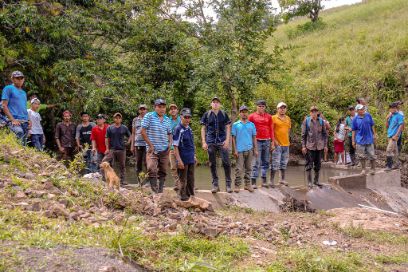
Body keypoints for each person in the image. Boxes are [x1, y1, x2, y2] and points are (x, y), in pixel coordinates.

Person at [200, 97, 232, 193]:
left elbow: (228, 127)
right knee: (212, 163)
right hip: (211, 141)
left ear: (220, 104)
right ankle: (215, 184)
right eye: (213, 102)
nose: (215, 104)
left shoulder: (223, 114)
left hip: (222, 141)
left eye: (217, 102)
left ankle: (228, 184)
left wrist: (227, 140)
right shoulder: (207, 114)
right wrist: (203, 142)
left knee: (226, 162)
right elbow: (203, 128)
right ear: (211, 104)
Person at [142, 99, 172, 193]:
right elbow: (142, 131)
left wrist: (170, 144)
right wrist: (150, 145)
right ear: (155, 107)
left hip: (164, 149)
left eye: (163, 107)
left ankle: (161, 191)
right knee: (151, 169)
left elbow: (170, 133)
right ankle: (154, 191)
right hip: (152, 149)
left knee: (163, 171)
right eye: (159, 107)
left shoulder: (167, 119)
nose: (162, 109)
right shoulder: (149, 116)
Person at [249, 99, 275, 189]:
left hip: (267, 140)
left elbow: (271, 129)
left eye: (263, 106)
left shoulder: (269, 117)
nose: (261, 108)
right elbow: (248, 129)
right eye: (259, 106)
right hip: (257, 141)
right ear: (256, 106)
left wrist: (272, 142)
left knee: (266, 161)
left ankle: (264, 181)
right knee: (256, 161)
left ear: (265, 107)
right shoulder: (252, 116)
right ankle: (253, 181)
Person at [232, 105, 257, 193]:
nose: (244, 114)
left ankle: (247, 184)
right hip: (239, 150)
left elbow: (254, 137)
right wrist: (235, 150)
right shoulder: (235, 125)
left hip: (249, 149)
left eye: (245, 112)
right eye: (242, 112)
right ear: (240, 113)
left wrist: (255, 149)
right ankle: (237, 185)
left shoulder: (252, 124)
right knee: (239, 169)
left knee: (249, 168)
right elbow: (233, 138)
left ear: (248, 113)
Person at [301, 106, 328, 188]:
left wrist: (325, 145)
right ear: (310, 113)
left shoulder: (321, 121)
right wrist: (303, 146)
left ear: (317, 112)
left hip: (319, 147)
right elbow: (303, 135)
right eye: (312, 112)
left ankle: (316, 181)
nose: (314, 113)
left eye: (315, 111)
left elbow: (324, 134)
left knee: (318, 165)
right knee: (309, 164)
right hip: (309, 146)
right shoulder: (307, 121)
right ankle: (309, 182)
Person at [173, 108, 196, 201]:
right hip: (183, 159)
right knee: (183, 179)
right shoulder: (178, 129)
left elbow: (191, 143)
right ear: (181, 117)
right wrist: (179, 160)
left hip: (190, 158)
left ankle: (191, 195)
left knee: (191, 178)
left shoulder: (189, 129)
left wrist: (194, 156)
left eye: (189, 117)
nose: (187, 119)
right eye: (185, 117)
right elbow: (175, 146)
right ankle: (182, 197)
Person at [1, 71, 29, 144]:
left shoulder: (23, 92)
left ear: (23, 79)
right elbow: (4, 105)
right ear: (12, 79)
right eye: (17, 78)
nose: (20, 80)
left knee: (24, 142)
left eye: (21, 78)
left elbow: (24, 107)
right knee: (19, 134)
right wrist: (12, 119)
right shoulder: (8, 88)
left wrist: (29, 120)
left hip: (24, 121)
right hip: (14, 120)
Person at [103, 112, 131, 185]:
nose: (117, 119)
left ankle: (123, 180)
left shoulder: (124, 127)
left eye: (119, 118)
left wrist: (128, 142)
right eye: (116, 118)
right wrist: (107, 148)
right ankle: (106, 178)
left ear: (121, 119)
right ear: (114, 119)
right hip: (112, 149)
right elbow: (106, 138)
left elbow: (130, 136)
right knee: (105, 161)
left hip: (122, 149)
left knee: (122, 165)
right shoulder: (110, 127)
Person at [352, 104, 377, 175]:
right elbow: (353, 130)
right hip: (360, 139)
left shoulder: (368, 115)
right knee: (361, 156)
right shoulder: (355, 119)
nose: (363, 110)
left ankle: (373, 169)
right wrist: (353, 141)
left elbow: (372, 125)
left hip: (369, 138)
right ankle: (363, 169)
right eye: (361, 109)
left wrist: (374, 134)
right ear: (357, 110)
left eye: (363, 108)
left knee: (372, 155)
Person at [271, 102, 291, 187]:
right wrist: (274, 141)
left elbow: (288, 130)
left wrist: (287, 140)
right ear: (277, 109)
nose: (282, 109)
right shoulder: (273, 118)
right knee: (275, 162)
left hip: (286, 144)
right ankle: (271, 181)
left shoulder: (288, 118)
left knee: (284, 162)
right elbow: (271, 131)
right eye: (281, 108)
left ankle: (282, 180)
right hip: (277, 144)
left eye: (284, 108)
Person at [131, 104, 148, 183]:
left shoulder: (149, 119)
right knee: (138, 163)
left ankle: (149, 181)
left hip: (147, 144)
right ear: (139, 110)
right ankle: (140, 181)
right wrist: (132, 145)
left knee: (147, 162)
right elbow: (133, 133)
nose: (142, 111)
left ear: (146, 110)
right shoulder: (135, 120)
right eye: (141, 109)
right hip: (138, 144)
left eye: (144, 109)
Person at [385, 102, 404, 171]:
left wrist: (396, 135)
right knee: (395, 151)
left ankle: (389, 166)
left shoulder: (399, 115)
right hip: (389, 135)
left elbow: (401, 126)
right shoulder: (391, 116)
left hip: (394, 136)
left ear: (396, 108)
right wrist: (387, 119)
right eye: (391, 108)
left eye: (393, 108)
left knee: (388, 150)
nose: (392, 109)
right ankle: (397, 165)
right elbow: (387, 126)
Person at [168, 103, 181, 191]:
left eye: (174, 108)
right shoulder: (167, 121)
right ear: (169, 111)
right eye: (171, 109)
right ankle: (177, 184)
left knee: (183, 165)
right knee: (173, 167)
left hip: (181, 147)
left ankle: (185, 183)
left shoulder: (182, 119)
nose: (173, 110)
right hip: (171, 147)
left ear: (177, 110)